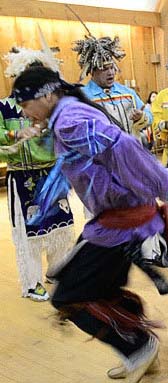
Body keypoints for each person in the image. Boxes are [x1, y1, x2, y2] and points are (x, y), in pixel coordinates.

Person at [12, 65, 168, 383]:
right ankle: (140, 347)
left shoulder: (70, 120)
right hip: (117, 221)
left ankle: (138, 347)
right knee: (99, 289)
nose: (24, 111)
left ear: (45, 96)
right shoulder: (65, 117)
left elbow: (126, 148)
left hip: (120, 226)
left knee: (68, 297)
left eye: (25, 103)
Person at [0, 47, 74, 301]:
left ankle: (59, 272)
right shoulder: (4, 108)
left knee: (61, 229)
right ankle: (31, 283)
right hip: (21, 177)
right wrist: (16, 134)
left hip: (52, 175)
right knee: (28, 235)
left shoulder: (51, 107)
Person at [72, 35, 152, 144]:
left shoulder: (127, 93)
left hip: (131, 154)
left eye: (112, 67)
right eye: (104, 69)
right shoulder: (83, 98)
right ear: (92, 71)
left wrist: (141, 116)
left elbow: (149, 115)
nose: (110, 73)